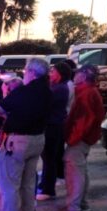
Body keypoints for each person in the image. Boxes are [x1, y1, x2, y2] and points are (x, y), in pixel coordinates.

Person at [0, 57, 52, 211]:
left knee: (10, 184)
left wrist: (6, 95)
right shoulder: (48, 92)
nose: (24, 73)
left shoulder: (23, 91)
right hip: (38, 139)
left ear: (32, 72)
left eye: (25, 70)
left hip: (17, 141)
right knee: (28, 184)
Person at [56, 64, 105, 211]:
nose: (74, 76)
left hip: (80, 140)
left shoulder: (86, 94)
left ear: (83, 76)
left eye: (77, 73)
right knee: (81, 171)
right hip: (85, 139)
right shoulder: (90, 92)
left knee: (74, 173)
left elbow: (84, 120)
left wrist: (72, 139)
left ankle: (73, 208)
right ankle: (81, 203)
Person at [37, 61, 72, 201]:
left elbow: (44, 103)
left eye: (53, 72)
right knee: (49, 157)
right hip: (53, 125)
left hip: (53, 126)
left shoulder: (59, 89)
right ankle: (45, 184)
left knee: (49, 158)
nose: (50, 74)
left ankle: (48, 189)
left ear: (60, 74)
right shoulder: (57, 87)